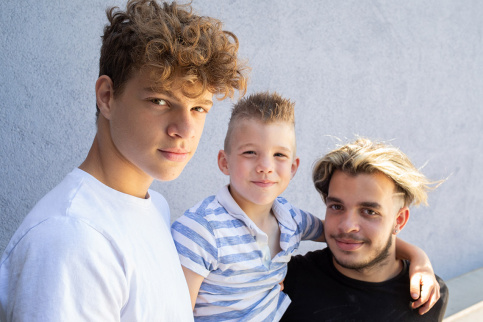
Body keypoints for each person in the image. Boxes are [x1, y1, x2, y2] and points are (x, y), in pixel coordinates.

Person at [0, 0, 248, 320]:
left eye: (199, 108)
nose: (185, 130)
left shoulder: (152, 205)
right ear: (107, 97)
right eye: (160, 100)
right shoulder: (73, 238)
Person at [171, 94, 441, 321]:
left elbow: (338, 233)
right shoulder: (201, 230)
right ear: (224, 162)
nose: (265, 166)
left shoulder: (290, 220)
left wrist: (419, 259)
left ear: (292, 168)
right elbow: (172, 314)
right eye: (250, 152)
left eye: (279, 155)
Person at [281, 138, 449, 322]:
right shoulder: (286, 280)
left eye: (369, 211)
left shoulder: (429, 295)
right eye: (337, 207)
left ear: (399, 220)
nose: (347, 225)